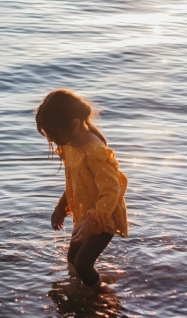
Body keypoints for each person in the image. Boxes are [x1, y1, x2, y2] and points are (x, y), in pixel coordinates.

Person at [35, 89, 128, 287]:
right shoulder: (70, 146)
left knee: (83, 264)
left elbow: (112, 191)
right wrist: (61, 208)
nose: (52, 141)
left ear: (75, 124)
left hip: (103, 218)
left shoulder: (96, 152)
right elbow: (74, 184)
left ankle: (101, 295)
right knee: (72, 260)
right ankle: (96, 283)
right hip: (85, 217)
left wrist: (92, 221)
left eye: (53, 135)